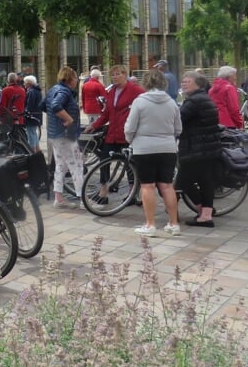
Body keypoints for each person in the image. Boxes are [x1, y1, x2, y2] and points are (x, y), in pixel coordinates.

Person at [124, 69, 182, 237]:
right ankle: (173, 223)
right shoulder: (171, 103)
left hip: (144, 148)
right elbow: (178, 128)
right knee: (167, 185)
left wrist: (131, 140)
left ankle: (150, 224)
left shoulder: (139, 102)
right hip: (168, 148)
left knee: (147, 186)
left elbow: (130, 127)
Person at [88, 64, 145, 201]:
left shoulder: (135, 90)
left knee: (130, 163)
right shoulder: (112, 91)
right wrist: (94, 125)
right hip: (113, 133)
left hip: (127, 133)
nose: (114, 77)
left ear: (125, 74)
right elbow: (107, 113)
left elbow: (146, 105)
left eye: (118, 74)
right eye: (112, 75)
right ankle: (104, 189)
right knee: (105, 158)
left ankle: (132, 192)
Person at [178, 71, 224, 227]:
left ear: (198, 84)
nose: (183, 83)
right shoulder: (202, 98)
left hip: (197, 148)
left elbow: (178, 119)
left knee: (183, 182)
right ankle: (206, 213)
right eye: (183, 81)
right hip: (207, 147)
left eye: (187, 81)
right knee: (206, 181)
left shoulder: (194, 101)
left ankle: (204, 212)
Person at [44, 66, 83, 208]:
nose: (77, 80)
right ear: (69, 78)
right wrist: (68, 119)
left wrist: (56, 119)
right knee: (77, 165)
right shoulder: (64, 91)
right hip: (65, 135)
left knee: (61, 165)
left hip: (55, 135)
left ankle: (58, 198)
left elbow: (44, 106)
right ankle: (84, 200)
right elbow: (55, 106)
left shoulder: (53, 89)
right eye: (75, 77)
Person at [23, 75, 43, 152]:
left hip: (31, 116)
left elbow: (30, 104)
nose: (24, 84)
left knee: (30, 133)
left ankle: (32, 151)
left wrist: (25, 111)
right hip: (37, 115)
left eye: (25, 83)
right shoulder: (37, 90)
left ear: (29, 83)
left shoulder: (31, 91)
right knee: (33, 133)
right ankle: (38, 149)